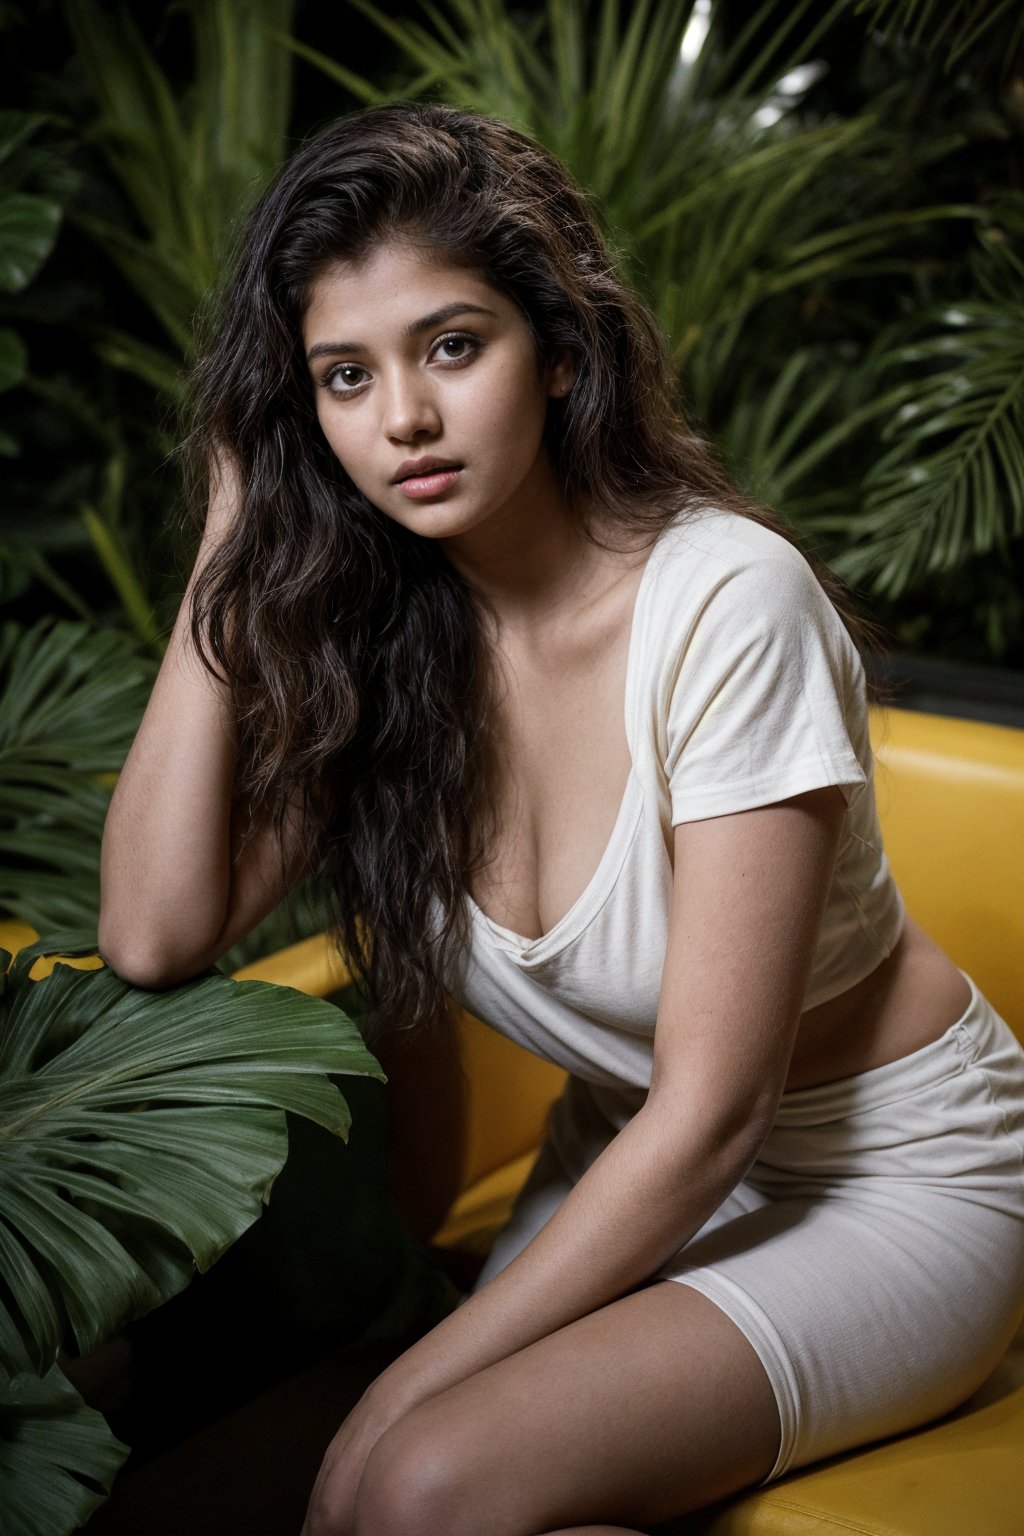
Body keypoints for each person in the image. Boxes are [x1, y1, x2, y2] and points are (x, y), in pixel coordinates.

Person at [98, 102, 1024, 1536]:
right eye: (343, 378)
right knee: (184, 1502)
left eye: (451, 347)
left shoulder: (726, 605)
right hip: (625, 1166)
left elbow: (718, 1108)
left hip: (887, 1184)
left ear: (565, 354)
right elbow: (156, 931)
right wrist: (230, 534)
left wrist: (405, 1401)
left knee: (405, 1479)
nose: (401, 416)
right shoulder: (382, 646)